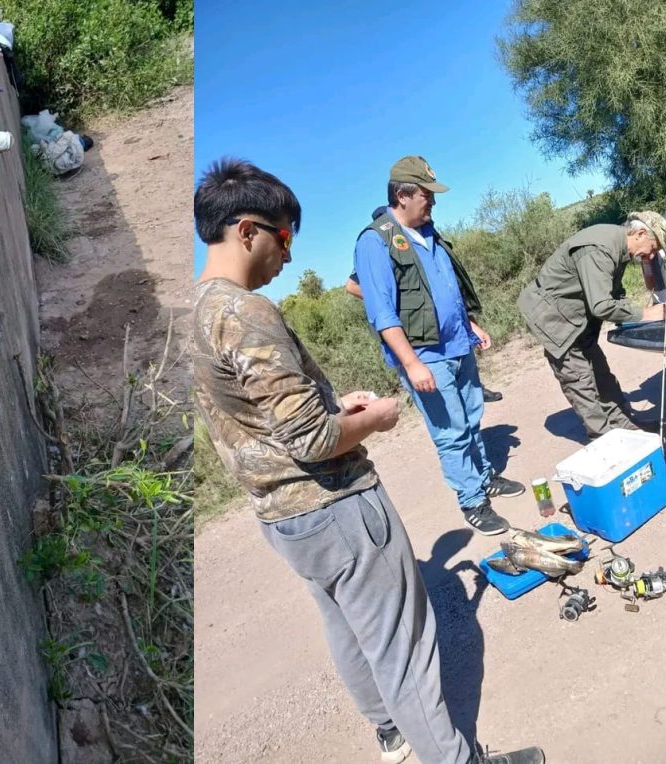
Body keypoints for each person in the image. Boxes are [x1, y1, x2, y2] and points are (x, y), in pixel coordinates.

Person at [192, 157, 545, 764]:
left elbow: (258, 418)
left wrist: (335, 405)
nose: (289, 255)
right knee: (405, 647)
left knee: (348, 626)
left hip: (282, 513)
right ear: (247, 231)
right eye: (284, 237)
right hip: (335, 506)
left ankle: (390, 730)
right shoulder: (246, 312)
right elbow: (311, 441)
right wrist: (374, 419)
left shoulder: (197, 311)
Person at [352, 156, 524, 537]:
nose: (432, 200)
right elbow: (382, 313)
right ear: (402, 195)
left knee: (472, 417)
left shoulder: (428, 231)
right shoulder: (375, 241)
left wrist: (469, 325)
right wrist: (412, 363)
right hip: (426, 355)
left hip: (458, 344)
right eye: (425, 194)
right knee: (451, 431)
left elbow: (446, 290)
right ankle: (472, 501)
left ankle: (484, 477)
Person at [517, 212, 666, 441]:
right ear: (639, 234)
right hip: (554, 319)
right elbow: (602, 305)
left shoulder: (620, 248)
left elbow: (613, 294)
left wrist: (634, 313)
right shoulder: (600, 249)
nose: (652, 255)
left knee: (600, 373)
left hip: (578, 316)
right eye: (653, 247)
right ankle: (604, 439)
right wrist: (647, 314)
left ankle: (623, 424)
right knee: (579, 379)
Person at [346, 253, 503, 403]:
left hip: (449, 327)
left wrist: (471, 322)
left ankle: (477, 389)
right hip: (420, 332)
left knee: (464, 381)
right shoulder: (380, 245)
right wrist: (396, 300)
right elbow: (352, 286)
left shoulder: (425, 240)